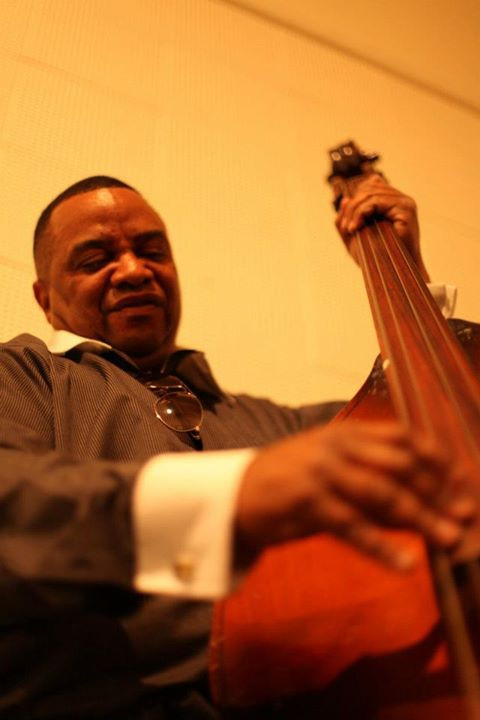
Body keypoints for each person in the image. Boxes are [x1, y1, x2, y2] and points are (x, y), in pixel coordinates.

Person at [0, 174, 470, 718]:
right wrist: (233, 497)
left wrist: (406, 281)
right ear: (45, 297)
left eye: (152, 251)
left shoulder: (271, 422)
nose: (133, 270)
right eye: (95, 259)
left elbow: (426, 427)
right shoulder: (23, 374)